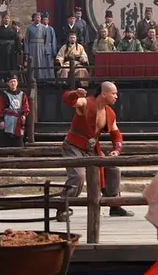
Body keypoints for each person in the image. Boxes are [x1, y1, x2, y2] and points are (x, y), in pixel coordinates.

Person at [56, 82, 134, 221]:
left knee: (113, 169)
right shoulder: (86, 103)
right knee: (78, 176)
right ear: (103, 94)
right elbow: (69, 100)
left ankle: (114, 204)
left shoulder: (109, 113)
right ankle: (63, 207)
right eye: (113, 93)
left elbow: (116, 134)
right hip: (73, 147)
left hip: (92, 149)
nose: (116, 96)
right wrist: (75, 93)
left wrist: (116, 150)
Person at [0, 74, 31, 147]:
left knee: (19, 140)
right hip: (7, 119)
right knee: (6, 140)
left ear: (17, 83)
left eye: (14, 81)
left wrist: (24, 115)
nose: (13, 83)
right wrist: (1, 120)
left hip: (18, 120)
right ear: (8, 83)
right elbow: (0, 108)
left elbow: (25, 106)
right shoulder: (4, 95)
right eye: (11, 82)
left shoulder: (22, 94)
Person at [0, 12, 21, 81]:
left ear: (9, 19)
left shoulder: (13, 29)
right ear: (2, 19)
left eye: (7, 18)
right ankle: (1, 78)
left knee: (11, 63)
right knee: (2, 64)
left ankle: (12, 77)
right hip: (2, 49)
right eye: (5, 18)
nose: (6, 20)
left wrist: (18, 48)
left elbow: (17, 39)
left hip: (11, 49)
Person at [24, 12, 52, 82]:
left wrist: (46, 50)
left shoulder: (44, 28)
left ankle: (42, 79)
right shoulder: (29, 28)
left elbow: (47, 40)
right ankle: (32, 79)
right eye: (36, 17)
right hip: (32, 47)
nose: (37, 19)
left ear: (40, 18)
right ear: (33, 18)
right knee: (33, 63)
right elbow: (26, 40)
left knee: (41, 62)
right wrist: (27, 51)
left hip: (41, 47)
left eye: (39, 17)